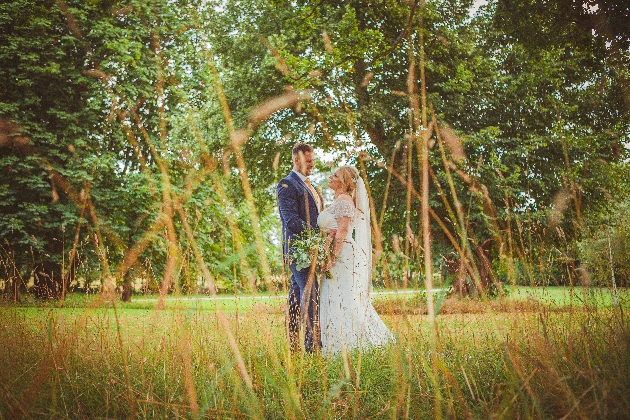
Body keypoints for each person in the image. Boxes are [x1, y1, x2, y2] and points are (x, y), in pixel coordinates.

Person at [318, 166, 395, 356]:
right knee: (337, 296)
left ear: (344, 183)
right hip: (338, 253)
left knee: (344, 297)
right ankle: (336, 343)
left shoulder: (344, 201)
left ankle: (349, 345)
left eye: (335, 175)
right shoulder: (339, 200)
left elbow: (342, 231)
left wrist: (331, 257)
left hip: (342, 256)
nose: (330, 176)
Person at [277, 143, 324, 353]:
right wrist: (317, 237)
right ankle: (312, 345)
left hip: (310, 249)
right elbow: (291, 220)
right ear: (297, 160)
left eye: (313, 160)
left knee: (296, 297)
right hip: (298, 251)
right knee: (311, 293)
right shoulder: (286, 184)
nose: (312, 164)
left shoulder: (310, 186)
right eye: (309, 161)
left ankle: (293, 345)